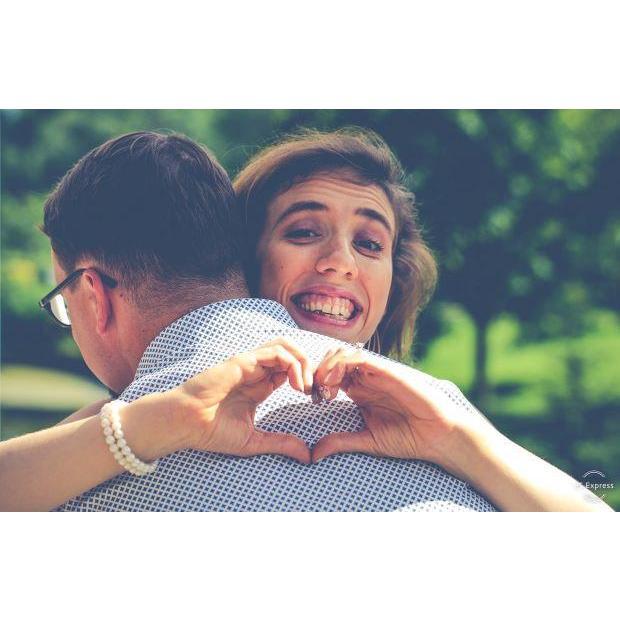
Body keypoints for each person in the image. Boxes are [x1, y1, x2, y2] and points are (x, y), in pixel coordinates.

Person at [0, 130, 609, 511]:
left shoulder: (434, 408)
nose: (340, 262)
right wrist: (153, 422)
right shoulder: (125, 425)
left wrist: (457, 437)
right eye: (304, 232)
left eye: (370, 244)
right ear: (240, 260)